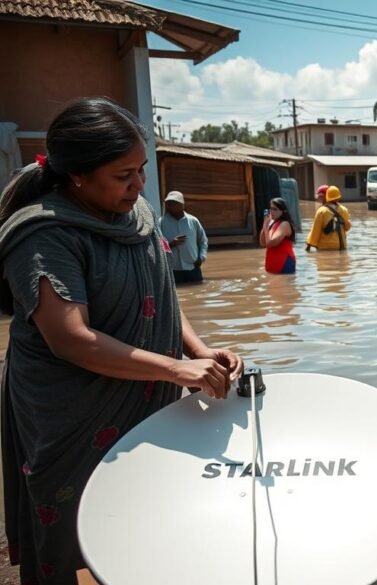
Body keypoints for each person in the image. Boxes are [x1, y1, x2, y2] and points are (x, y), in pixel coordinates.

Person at [0, 97, 243, 584]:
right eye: (122, 175)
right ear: (77, 176)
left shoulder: (140, 218)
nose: (139, 185)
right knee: (72, 526)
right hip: (69, 409)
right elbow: (72, 339)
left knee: (141, 515)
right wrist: (176, 369)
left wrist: (198, 351)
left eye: (142, 170)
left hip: (141, 390)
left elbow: (160, 300)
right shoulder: (45, 235)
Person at [160, 190, 208, 284]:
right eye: (168, 203)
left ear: (182, 205)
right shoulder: (161, 223)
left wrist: (201, 257)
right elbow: (156, 246)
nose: (169, 206)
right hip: (173, 270)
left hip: (193, 268)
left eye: (173, 203)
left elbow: (203, 241)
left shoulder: (193, 221)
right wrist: (171, 244)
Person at [305, 185, 350, 252]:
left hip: (325, 247)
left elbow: (316, 231)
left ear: (326, 196)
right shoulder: (344, 210)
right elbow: (347, 227)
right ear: (338, 197)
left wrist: (309, 245)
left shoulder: (321, 211)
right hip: (341, 246)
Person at [259, 197, 297, 274]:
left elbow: (270, 243)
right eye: (271, 209)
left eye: (275, 209)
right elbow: (263, 243)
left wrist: (266, 225)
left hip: (285, 264)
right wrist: (265, 226)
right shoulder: (272, 223)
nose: (271, 212)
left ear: (283, 211)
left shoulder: (285, 224)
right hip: (274, 264)